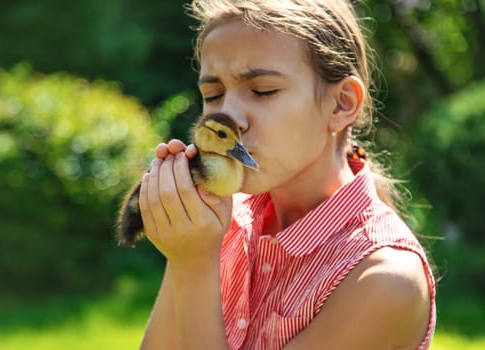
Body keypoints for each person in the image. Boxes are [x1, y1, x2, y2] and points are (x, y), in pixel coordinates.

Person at [137, 0, 436, 349]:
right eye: (214, 95)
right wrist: (185, 253)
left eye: (263, 91)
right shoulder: (221, 224)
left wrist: (193, 267)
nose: (229, 117)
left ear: (341, 104)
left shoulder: (384, 279)